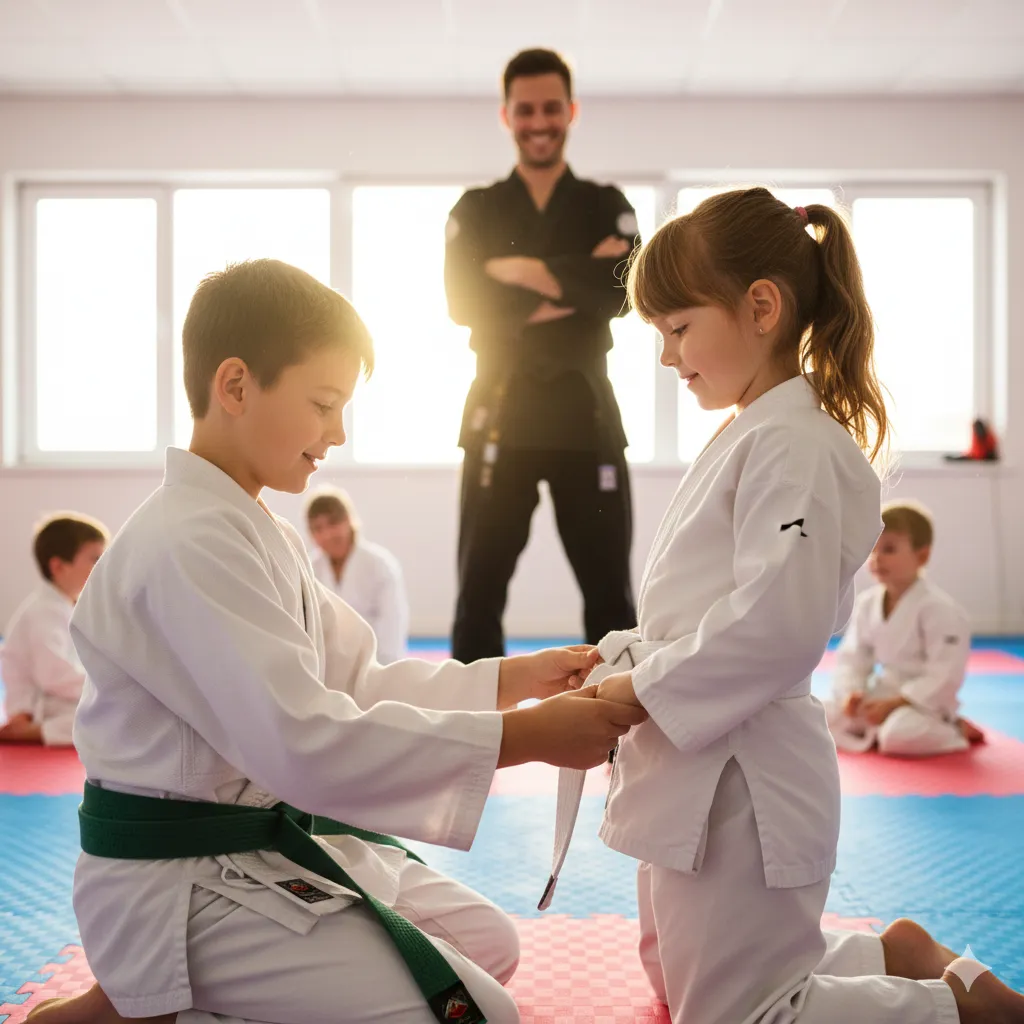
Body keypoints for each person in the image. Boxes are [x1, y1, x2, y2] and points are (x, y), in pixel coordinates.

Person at [27, 258, 646, 1024]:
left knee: (487, 945)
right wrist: (521, 740)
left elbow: (359, 680)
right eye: (324, 403)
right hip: (180, 879)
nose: (338, 433)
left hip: (251, 841)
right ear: (235, 385)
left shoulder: (258, 533)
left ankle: (141, 1008)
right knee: (475, 1011)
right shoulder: (187, 541)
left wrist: (515, 680)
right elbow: (303, 740)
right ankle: (137, 1004)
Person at [584, 192, 1023, 1023]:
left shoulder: (796, 441)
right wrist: (623, 661)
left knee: (742, 1014)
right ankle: (894, 956)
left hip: (743, 781)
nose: (670, 357)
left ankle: (962, 1011)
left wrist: (639, 690)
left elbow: (775, 626)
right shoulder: (756, 427)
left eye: (679, 328)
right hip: (694, 762)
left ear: (760, 307)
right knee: (676, 984)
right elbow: (704, 607)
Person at [444, 48, 639, 663]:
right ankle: (473, 732)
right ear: (506, 115)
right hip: (500, 417)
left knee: (611, 595)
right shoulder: (474, 210)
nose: (538, 121)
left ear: (571, 111)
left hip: (587, 418)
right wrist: (576, 280)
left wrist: (521, 271)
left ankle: (622, 734)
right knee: (479, 593)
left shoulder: (606, 202)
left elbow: (623, 290)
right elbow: (463, 302)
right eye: (525, 109)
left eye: (551, 107)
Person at [826, 502, 985, 756]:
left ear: (921, 556)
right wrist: (852, 693)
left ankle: (954, 729)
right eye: (872, 550)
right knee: (822, 716)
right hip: (882, 693)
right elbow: (853, 657)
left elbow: (945, 673)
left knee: (898, 736)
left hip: (922, 703)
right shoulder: (868, 603)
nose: (877, 558)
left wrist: (896, 703)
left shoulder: (939, 609)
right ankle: (876, 730)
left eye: (888, 549)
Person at [0, 513, 107, 746]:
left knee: (115, 712)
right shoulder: (43, 611)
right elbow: (53, 675)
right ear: (58, 566)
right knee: (107, 717)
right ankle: (29, 732)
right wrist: (102, 688)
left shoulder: (68, 606)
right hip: (37, 704)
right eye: (95, 559)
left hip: (56, 695)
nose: (102, 567)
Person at [307, 487, 409, 664]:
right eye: (318, 528)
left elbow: (392, 626)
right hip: (326, 665)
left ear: (348, 520)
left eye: (333, 523)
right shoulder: (310, 568)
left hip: (376, 661)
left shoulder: (380, 565)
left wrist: (381, 672)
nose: (327, 534)